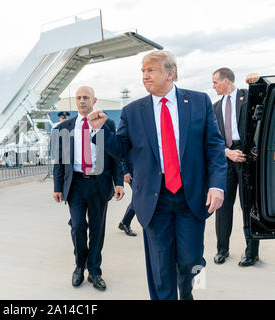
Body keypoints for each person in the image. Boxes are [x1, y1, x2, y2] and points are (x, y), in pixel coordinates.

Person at [88, 50, 227, 300]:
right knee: (161, 267)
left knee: (192, 260)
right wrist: (100, 133)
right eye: (142, 71)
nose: (145, 76)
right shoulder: (133, 111)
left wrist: (217, 185)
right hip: (154, 198)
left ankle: (187, 293)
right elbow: (121, 149)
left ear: (170, 73)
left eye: (150, 70)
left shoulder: (198, 102)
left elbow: (214, 146)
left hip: (191, 195)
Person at [52, 86, 124, 291]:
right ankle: (79, 266)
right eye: (78, 98)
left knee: (97, 229)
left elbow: (115, 156)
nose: (82, 101)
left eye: (86, 97)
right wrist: (57, 186)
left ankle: (94, 271)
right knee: (77, 227)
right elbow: (59, 160)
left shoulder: (106, 123)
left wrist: (118, 182)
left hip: (99, 183)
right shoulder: (64, 128)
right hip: (75, 184)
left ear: (94, 100)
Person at [212, 68, 260, 267]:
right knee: (222, 206)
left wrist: (258, 82)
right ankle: (222, 249)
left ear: (225, 81)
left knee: (248, 206)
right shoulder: (215, 107)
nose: (213, 86)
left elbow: (266, 101)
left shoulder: (248, 96)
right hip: (226, 157)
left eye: (215, 82)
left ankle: (252, 252)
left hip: (247, 157)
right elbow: (212, 138)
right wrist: (226, 152)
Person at [118, 153, 137, 237]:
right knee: (138, 199)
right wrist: (125, 171)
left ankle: (124, 222)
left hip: (144, 170)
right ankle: (125, 222)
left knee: (139, 198)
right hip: (132, 171)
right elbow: (122, 152)